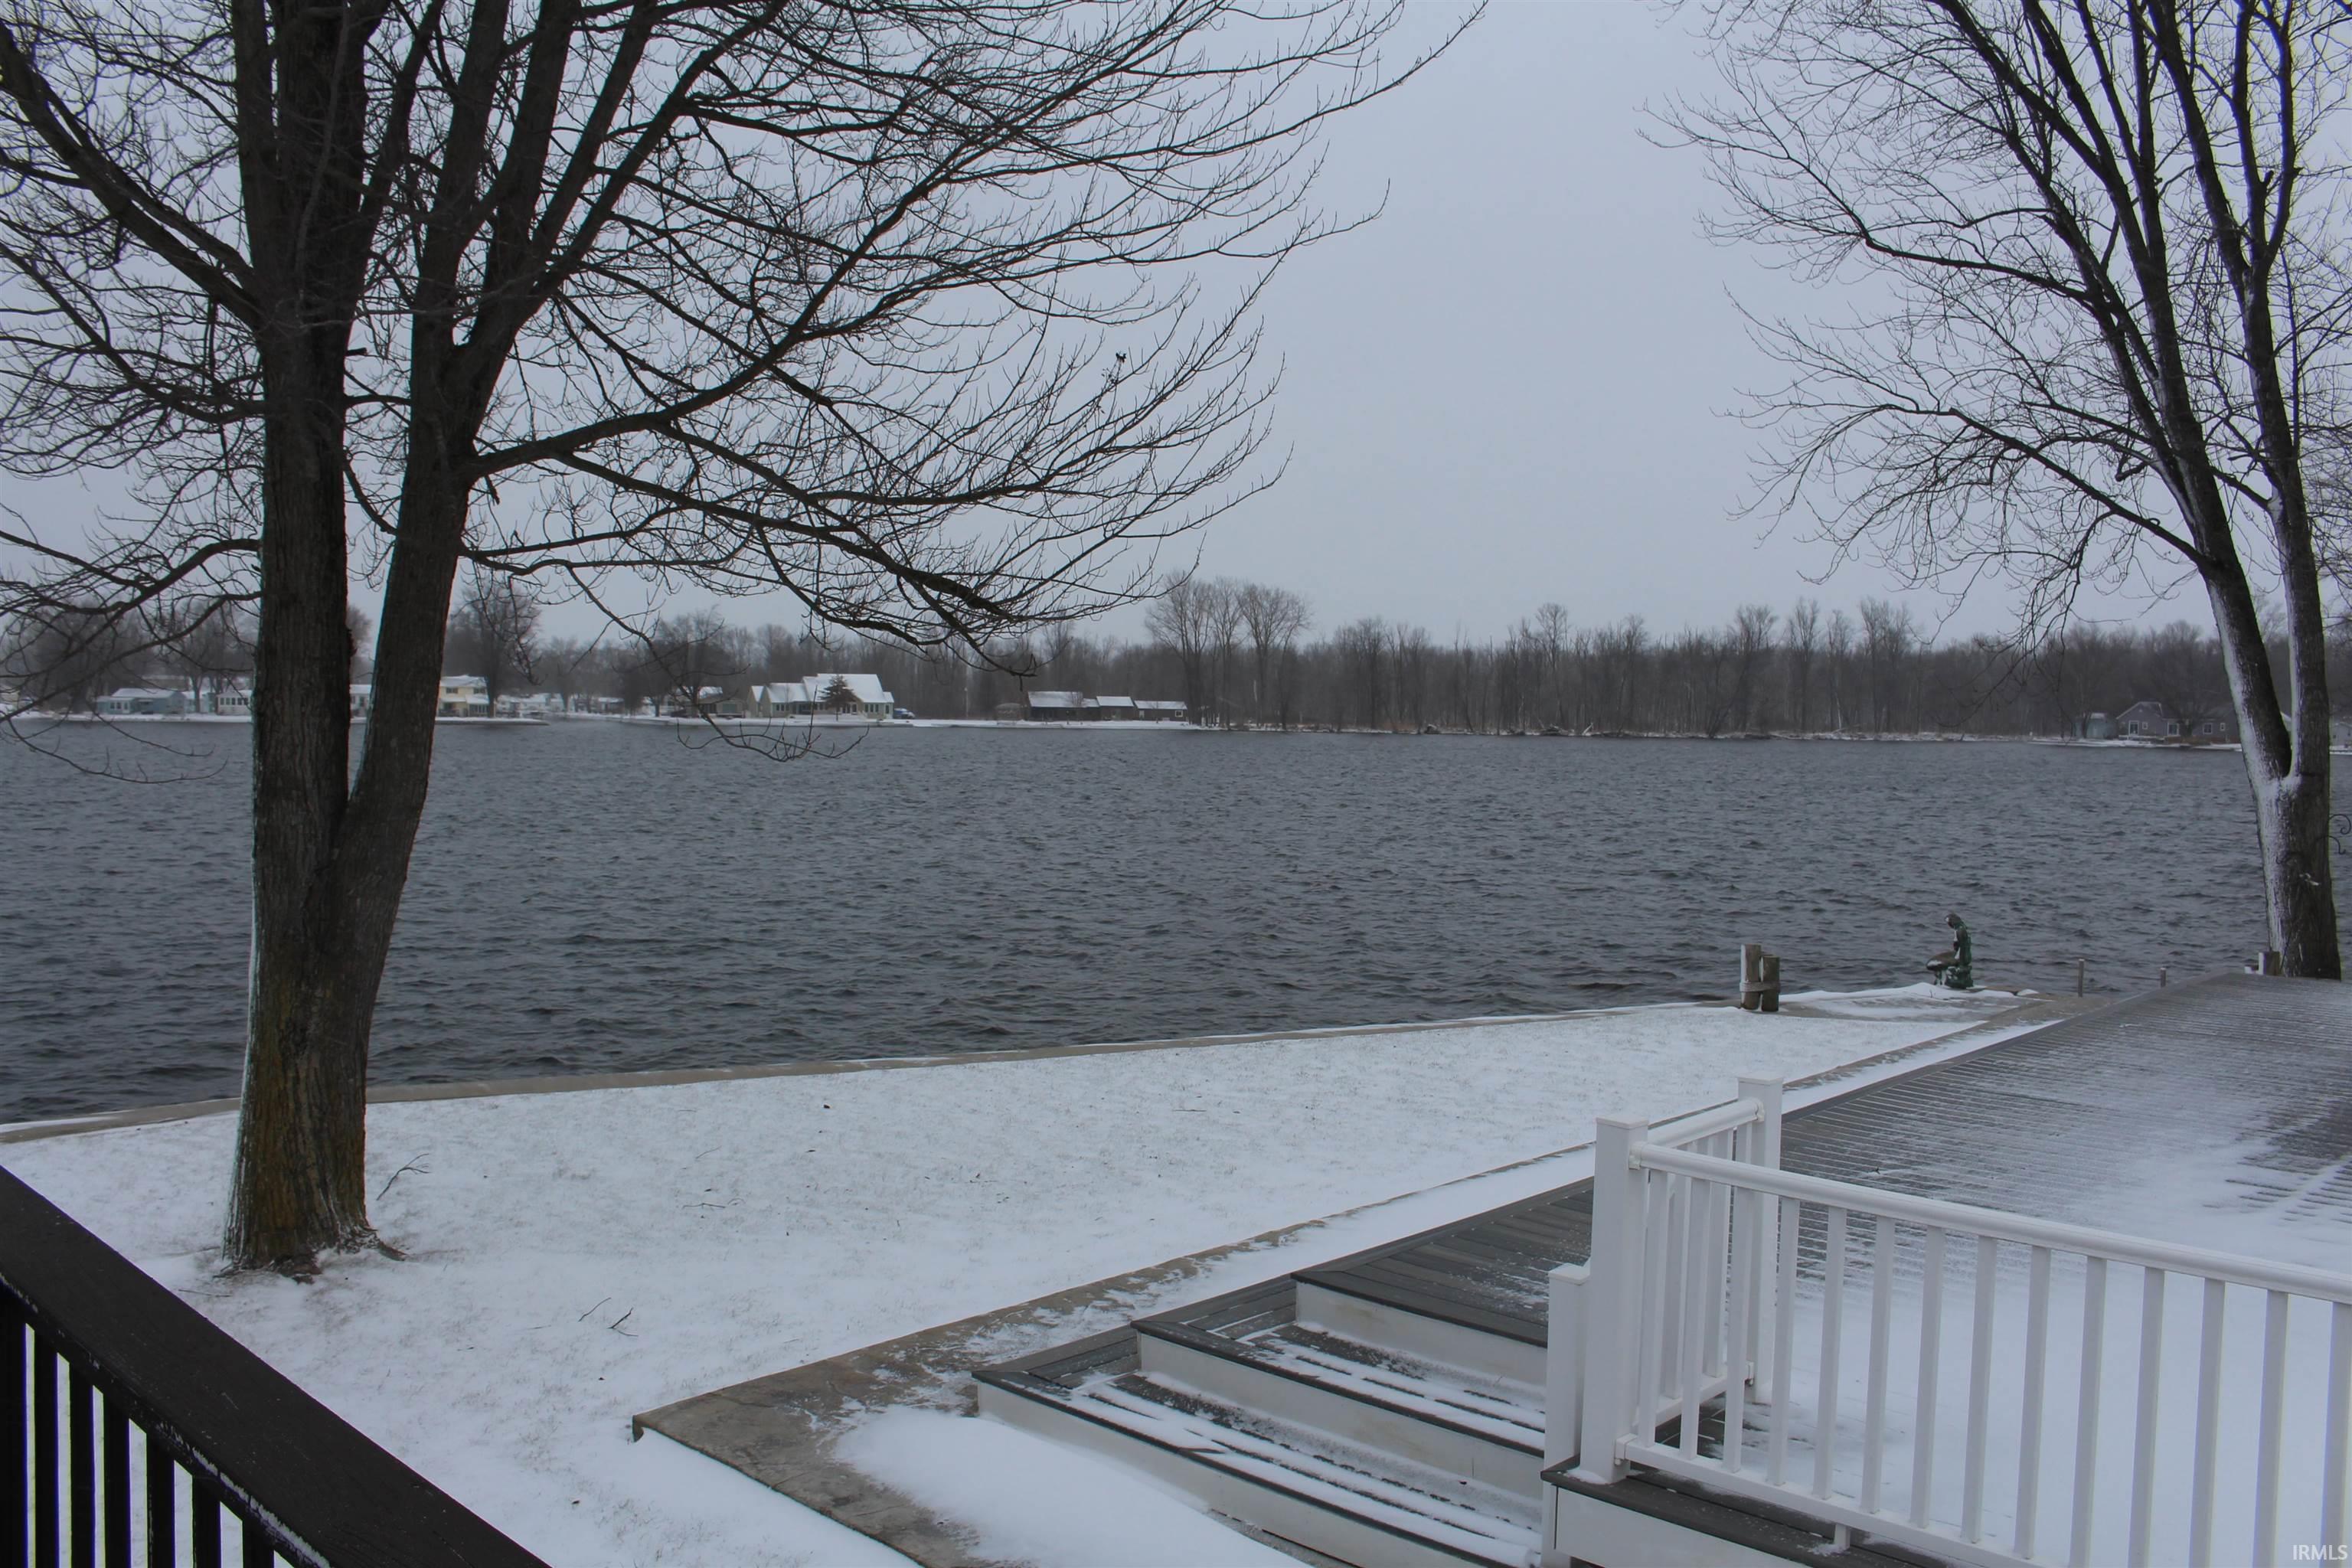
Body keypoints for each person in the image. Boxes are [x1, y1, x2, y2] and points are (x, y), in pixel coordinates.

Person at [1926, 912, 1974, 990]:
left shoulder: (1960, 932)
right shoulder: (1962, 929)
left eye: (1949, 923)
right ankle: (1941, 980)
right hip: (1962, 955)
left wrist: (1961, 965)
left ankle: (1943, 981)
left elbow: (1963, 949)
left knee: (1931, 964)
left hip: (1962, 957)